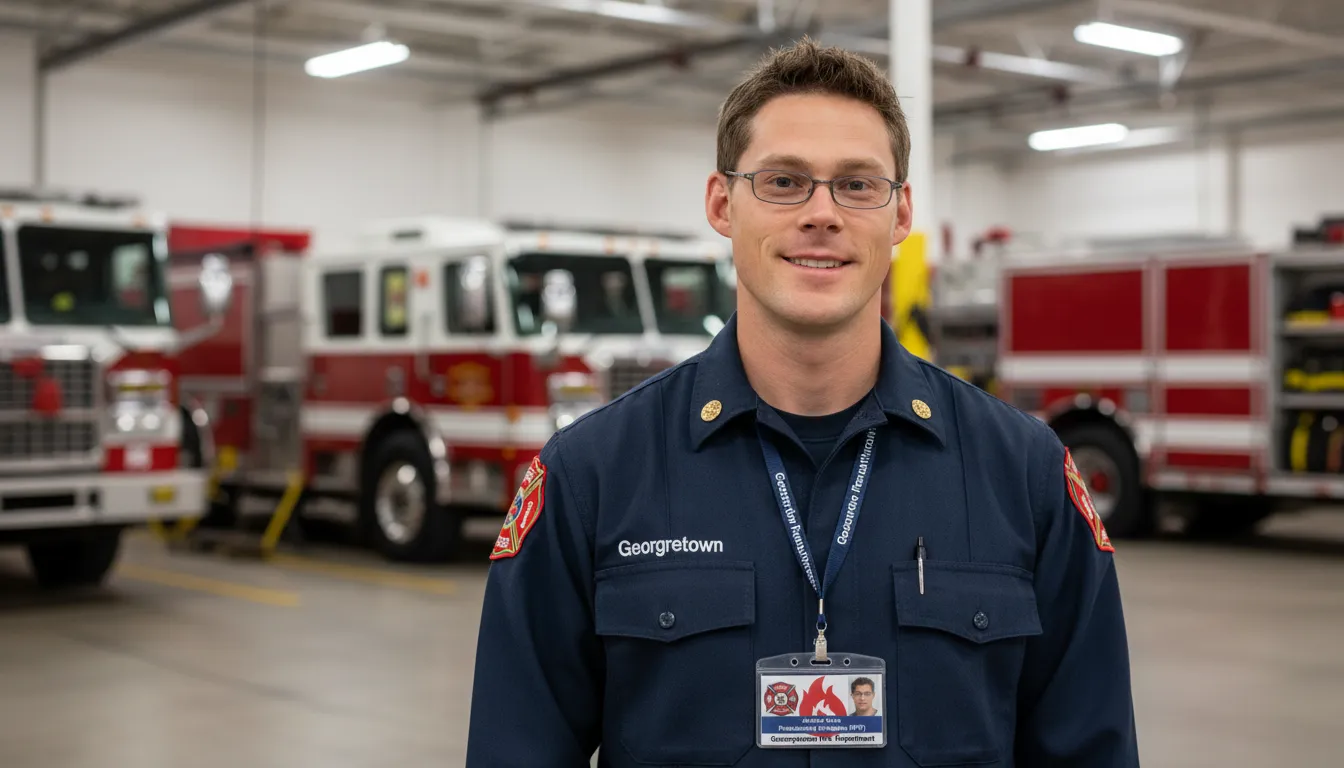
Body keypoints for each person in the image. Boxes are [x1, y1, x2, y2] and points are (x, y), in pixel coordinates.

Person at [467, 37, 1139, 768]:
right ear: (723, 204)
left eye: (857, 184)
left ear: (901, 213)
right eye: (784, 182)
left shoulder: (1024, 475)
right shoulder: (590, 477)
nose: (822, 213)